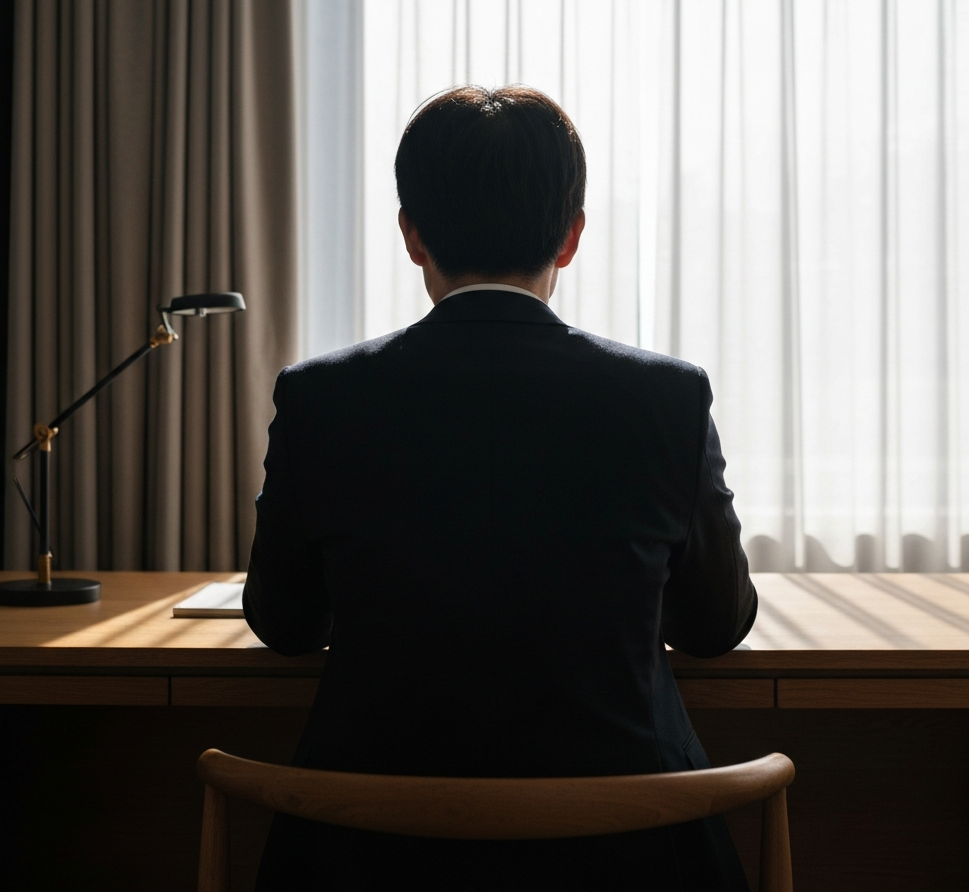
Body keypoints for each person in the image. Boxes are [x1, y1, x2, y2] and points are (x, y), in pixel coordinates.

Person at [244, 85, 758, 891]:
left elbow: (284, 625)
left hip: (371, 859)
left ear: (412, 235)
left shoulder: (320, 396)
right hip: (629, 858)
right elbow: (716, 624)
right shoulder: (667, 396)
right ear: (572, 237)